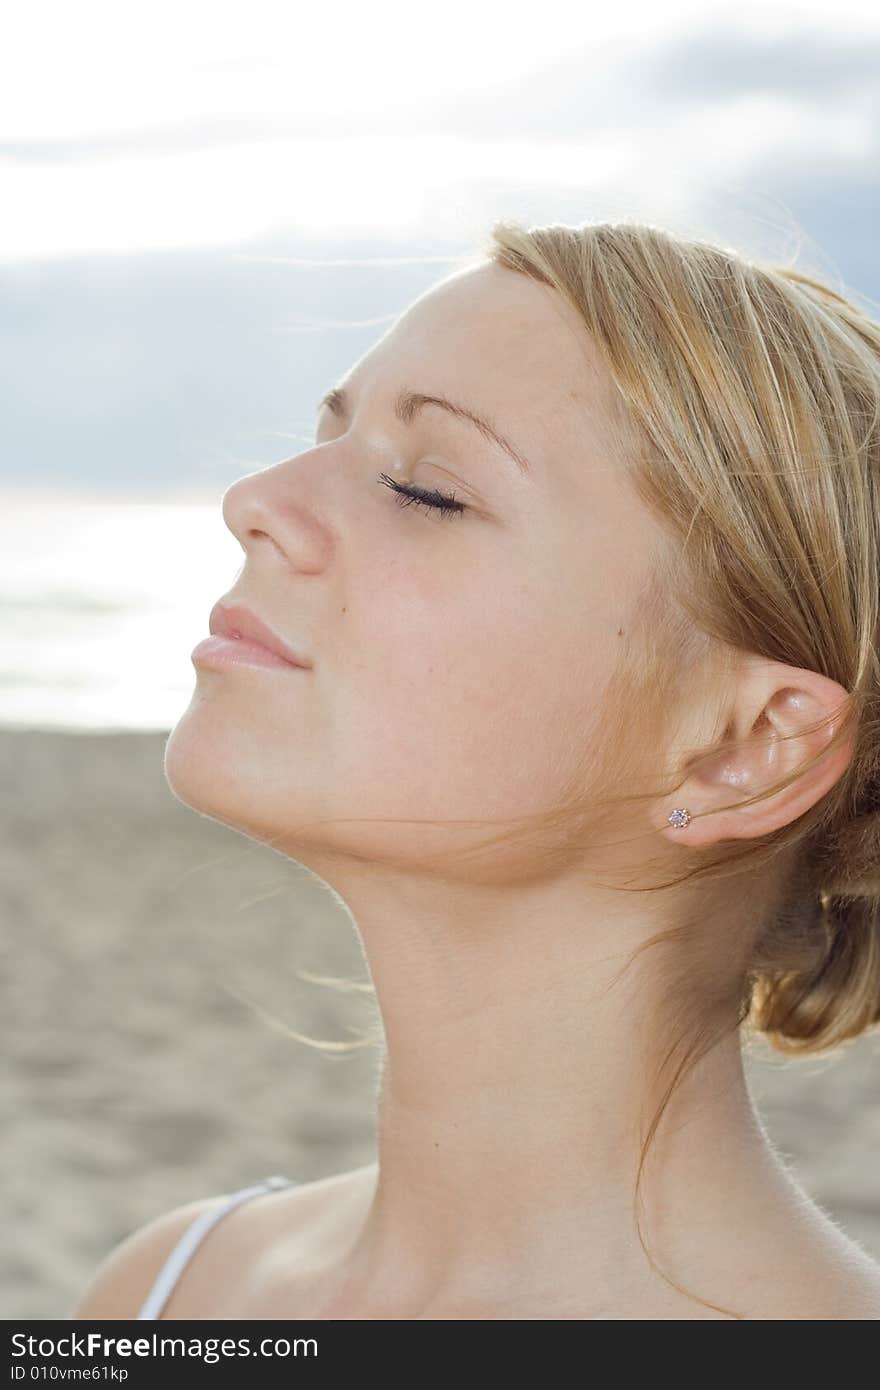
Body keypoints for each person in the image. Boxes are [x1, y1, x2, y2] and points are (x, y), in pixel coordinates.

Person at [72, 219, 880, 1320]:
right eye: (327, 436)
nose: (254, 497)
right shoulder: (168, 1292)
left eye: (427, 490)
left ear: (747, 746)